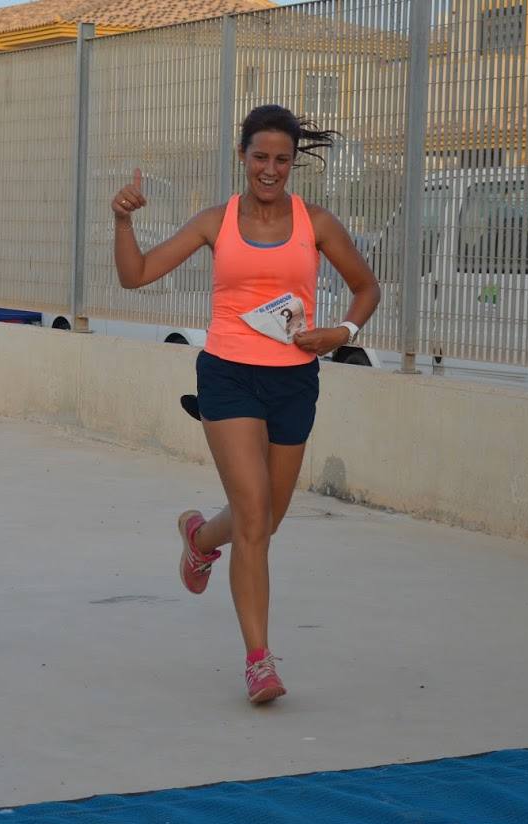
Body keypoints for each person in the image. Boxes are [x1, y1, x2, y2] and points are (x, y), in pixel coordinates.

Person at [112, 104, 381, 704]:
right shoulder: (216, 221)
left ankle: (203, 539)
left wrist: (341, 332)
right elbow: (136, 276)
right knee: (255, 513)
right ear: (242, 157)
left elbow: (367, 288)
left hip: (294, 380)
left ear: (292, 164)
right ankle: (259, 660)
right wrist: (124, 224)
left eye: (282, 159)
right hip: (228, 377)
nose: (270, 169)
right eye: (260, 157)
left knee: (265, 519)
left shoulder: (318, 222)